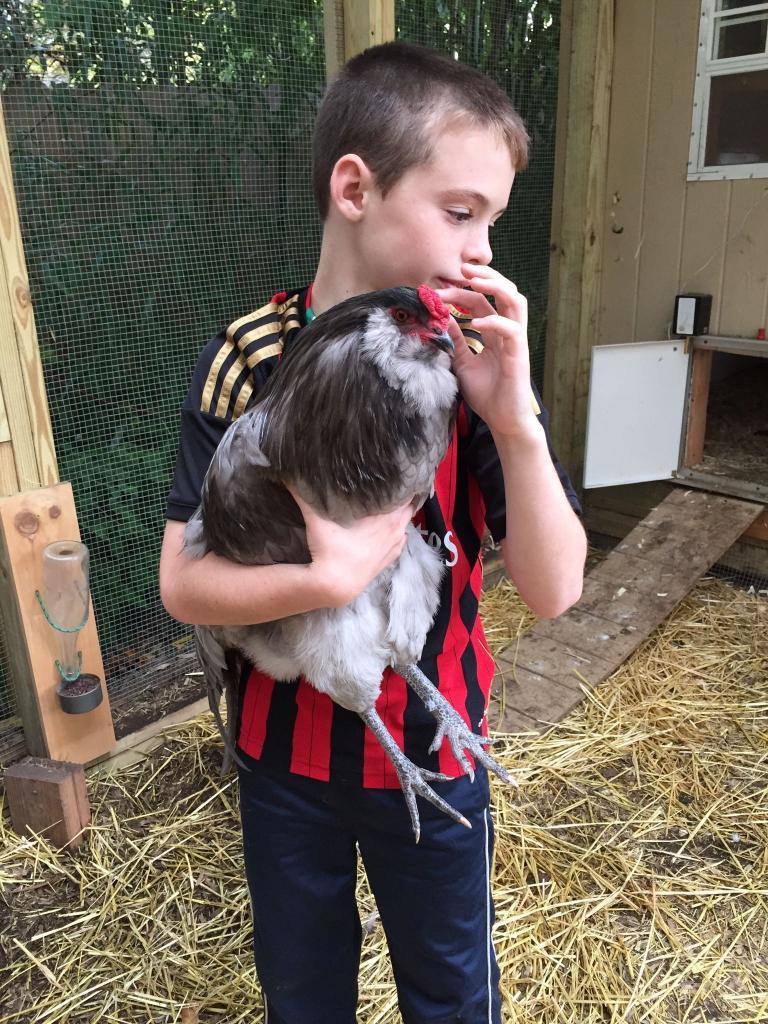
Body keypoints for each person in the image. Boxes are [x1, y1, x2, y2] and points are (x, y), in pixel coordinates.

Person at [159, 40, 586, 1024]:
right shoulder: (248, 358)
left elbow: (556, 588)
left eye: (492, 220)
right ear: (355, 188)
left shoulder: (471, 364)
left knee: (451, 993)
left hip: (439, 749)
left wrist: (515, 420)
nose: (483, 249)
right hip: (283, 764)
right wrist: (328, 574)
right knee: (304, 994)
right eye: (460, 212)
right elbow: (183, 584)